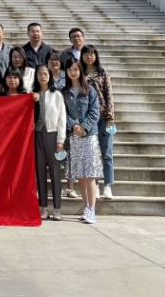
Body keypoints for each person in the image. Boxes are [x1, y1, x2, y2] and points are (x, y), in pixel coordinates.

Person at [64, 57, 102, 224]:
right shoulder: (65, 92)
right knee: (80, 174)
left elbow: (95, 111)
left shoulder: (89, 89)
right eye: (70, 70)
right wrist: (74, 126)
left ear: (80, 71)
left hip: (89, 136)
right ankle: (86, 207)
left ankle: (92, 209)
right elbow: (63, 113)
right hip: (74, 137)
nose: (73, 72)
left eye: (75, 69)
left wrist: (84, 127)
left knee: (90, 173)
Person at [81, 45, 116, 199]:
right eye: (86, 54)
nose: (89, 56)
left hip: (104, 118)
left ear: (96, 56)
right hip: (88, 119)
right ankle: (94, 185)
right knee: (91, 154)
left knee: (107, 153)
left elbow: (109, 95)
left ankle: (108, 185)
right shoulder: (80, 74)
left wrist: (110, 117)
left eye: (91, 54)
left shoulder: (103, 73)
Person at [32, 64, 66, 220]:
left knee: (55, 172)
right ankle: (43, 207)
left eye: (45, 74)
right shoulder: (33, 95)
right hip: (37, 134)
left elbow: (62, 118)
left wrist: (61, 139)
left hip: (52, 135)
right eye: (40, 74)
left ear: (50, 76)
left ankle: (57, 209)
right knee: (40, 172)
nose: (42, 76)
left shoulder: (56, 94)